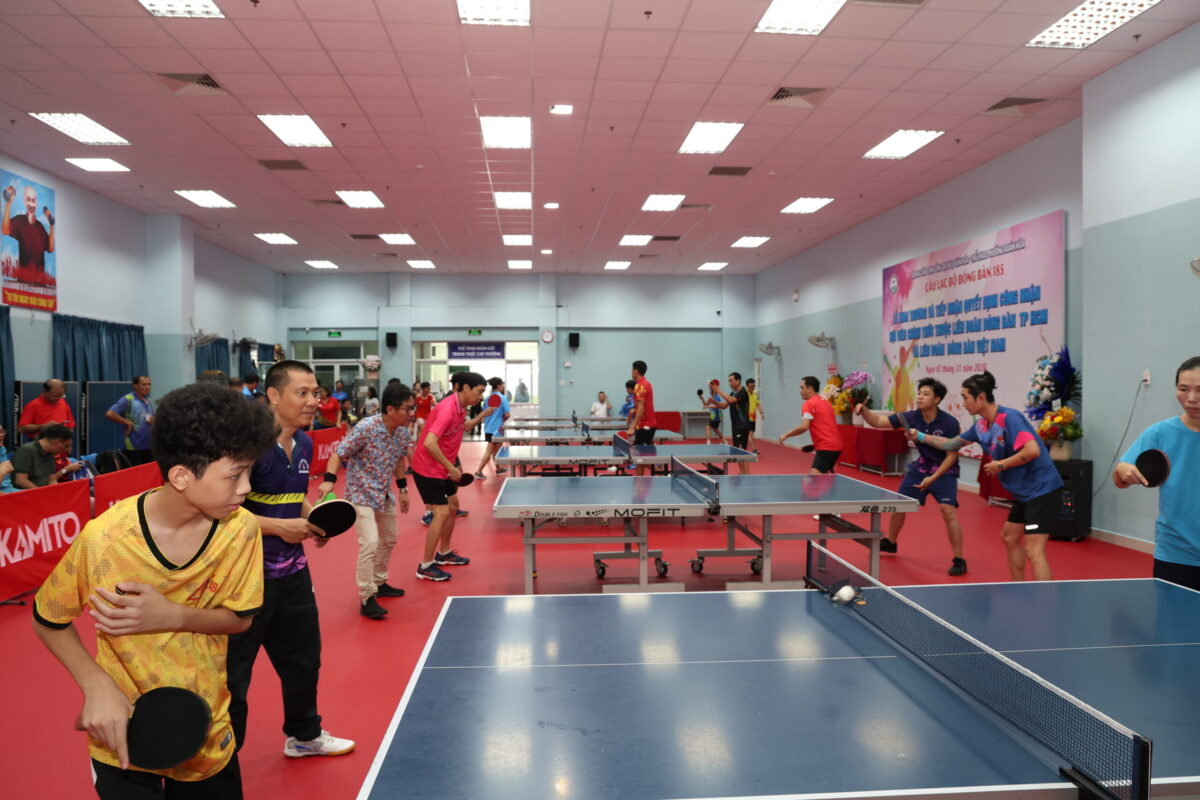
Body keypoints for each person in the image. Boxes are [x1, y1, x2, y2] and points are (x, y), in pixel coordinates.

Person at [31, 383, 276, 800]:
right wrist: (94, 684)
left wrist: (172, 615)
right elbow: (48, 619)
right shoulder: (105, 539)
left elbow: (241, 619)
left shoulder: (241, 530)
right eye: (235, 475)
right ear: (181, 476)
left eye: (250, 471)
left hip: (207, 728)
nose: (245, 487)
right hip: (122, 735)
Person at [227, 360, 355, 760]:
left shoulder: (305, 444)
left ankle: (304, 735)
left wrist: (310, 518)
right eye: (302, 393)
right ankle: (222, 758)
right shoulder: (245, 447)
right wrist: (280, 528)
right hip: (244, 579)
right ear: (273, 395)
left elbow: (291, 496)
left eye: (315, 392)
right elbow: (221, 513)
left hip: (293, 574)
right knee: (233, 675)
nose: (314, 401)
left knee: (304, 661)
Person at [914, 371, 1063, 581]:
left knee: (1033, 549)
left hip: (1042, 491)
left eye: (966, 397)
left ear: (981, 398)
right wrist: (920, 436)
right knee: (1009, 537)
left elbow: (1032, 451)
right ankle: (1018, 587)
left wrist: (1001, 465)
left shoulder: (1009, 418)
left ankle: (1044, 597)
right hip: (1026, 495)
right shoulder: (981, 426)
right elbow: (951, 444)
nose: (963, 403)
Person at [317, 382, 415, 619]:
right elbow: (339, 453)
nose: (412, 413)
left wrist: (403, 489)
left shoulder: (402, 431)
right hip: (360, 494)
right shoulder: (366, 428)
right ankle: (367, 596)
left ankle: (379, 582)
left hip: (384, 493)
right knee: (370, 542)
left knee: (390, 538)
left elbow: (398, 459)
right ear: (390, 409)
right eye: (408, 408)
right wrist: (329, 480)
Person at [855, 378, 966, 576]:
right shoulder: (910, 417)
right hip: (920, 468)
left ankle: (959, 558)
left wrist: (934, 478)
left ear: (937, 399)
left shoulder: (950, 423)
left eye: (926, 394)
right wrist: (864, 410)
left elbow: (952, 456)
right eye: (919, 393)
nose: (920, 397)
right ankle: (891, 542)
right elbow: (878, 422)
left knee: (947, 510)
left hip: (944, 471)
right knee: (900, 504)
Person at [1113, 356, 1200, 590]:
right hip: (1176, 554)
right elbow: (1120, 480)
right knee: (1172, 614)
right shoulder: (1159, 433)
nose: (1191, 398)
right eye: (1184, 389)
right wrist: (1122, 471)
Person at [411, 371, 488, 581]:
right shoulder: (447, 409)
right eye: (480, 391)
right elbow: (429, 443)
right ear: (465, 388)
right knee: (442, 512)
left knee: (453, 506)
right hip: (428, 467)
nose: (481, 396)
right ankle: (425, 565)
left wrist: (484, 414)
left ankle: (443, 553)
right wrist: (451, 467)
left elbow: (465, 426)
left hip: (442, 466)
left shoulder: (461, 407)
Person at [779, 376, 843, 473]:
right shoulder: (827, 403)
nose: (800, 391)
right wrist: (815, 445)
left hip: (826, 447)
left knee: (813, 481)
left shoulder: (809, 404)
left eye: (802, 387)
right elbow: (827, 426)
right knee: (823, 479)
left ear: (810, 388)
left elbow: (804, 426)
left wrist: (786, 435)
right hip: (837, 446)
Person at [2, 182, 55, 277]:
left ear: (36, 203)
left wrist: (51, 225)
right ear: (24, 202)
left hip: (40, 280)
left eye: (33, 200)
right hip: (23, 279)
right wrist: (9, 203)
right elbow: (5, 230)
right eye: (28, 200)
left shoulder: (40, 227)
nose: (31, 204)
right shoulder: (19, 220)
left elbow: (50, 248)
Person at [104, 375, 155, 466]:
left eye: (149, 384)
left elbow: (152, 419)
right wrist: (127, 422)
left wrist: (153, 420)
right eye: (144, 384)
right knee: (135, 474)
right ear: (135, 386)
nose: (147, 387)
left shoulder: (148, 400)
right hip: (132, 447)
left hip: (148, 446)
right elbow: (110, 414)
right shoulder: (128, 399)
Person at [11, 424, 83, 489]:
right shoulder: (26, 450)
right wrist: (41, 494)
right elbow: (21, 480)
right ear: (56, 441)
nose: (66, 450)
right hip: (26, 494)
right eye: (65, 446)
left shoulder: (50, 453)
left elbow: (52, 480)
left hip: (43, 492)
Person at [712, 372, 753, 474]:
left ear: (738, 381)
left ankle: (747, 475)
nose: (729, 383)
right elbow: (724, 406)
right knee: (737, 452)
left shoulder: (742, 392)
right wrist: (713, 402)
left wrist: (718, 390)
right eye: (729, 381)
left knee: (742, 452)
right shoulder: (733, 393)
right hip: (735, 427)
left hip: (742, 426)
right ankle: (743, 473)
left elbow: (730, 400)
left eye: (731, 380)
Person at [474, 377, 511, 479]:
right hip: (497, 430)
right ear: (499, 385)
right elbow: (507, 414)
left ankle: (498, 469)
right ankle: (478, 472)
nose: (503, 386)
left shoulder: (487, 398)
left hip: (488, 428)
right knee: (490, 450)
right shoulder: (502, 398)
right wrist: (501, 421)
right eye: (502, 384)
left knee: (495, 450)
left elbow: (484, 413)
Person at [626, 360, 658, 475]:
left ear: (636, 371)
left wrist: (632, 426)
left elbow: (641, 408)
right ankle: (660, 470)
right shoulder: (647, 383)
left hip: (645, 426)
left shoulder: (639, 386)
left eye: (632, 369)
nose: (631, 372)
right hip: (650, 425)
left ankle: (640, 482)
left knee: (639, 458)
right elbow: (641, 407)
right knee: (642, 457)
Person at [703, 379, 724, 445]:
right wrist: (701, 398)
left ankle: (708, 443)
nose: (710, 388)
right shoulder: (712, 397)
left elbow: (718, 406)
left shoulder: (717, 397)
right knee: (715, 429)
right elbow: (706, 405)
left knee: (708, 427)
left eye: (712, 386)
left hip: (716, 416)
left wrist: (708, 407)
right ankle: (725, 441)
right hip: (713, 417)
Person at [747, 378, 764, 452]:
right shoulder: (744, 394)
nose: (752, 387)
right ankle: (754, 449)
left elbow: (758, 404)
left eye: (754, 386)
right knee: (749, 434)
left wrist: (761, 413)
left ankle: (753, 449)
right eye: (751, 386)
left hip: (753, 417)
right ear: (747, 386)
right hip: (745, 417)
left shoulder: (756, 394)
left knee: (751, 434)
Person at [0, 423, 15, 492]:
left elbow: (6, 485)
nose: (1, 435)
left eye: (1, 431)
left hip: (8, 490)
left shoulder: (2, 449)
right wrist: (1, 471)